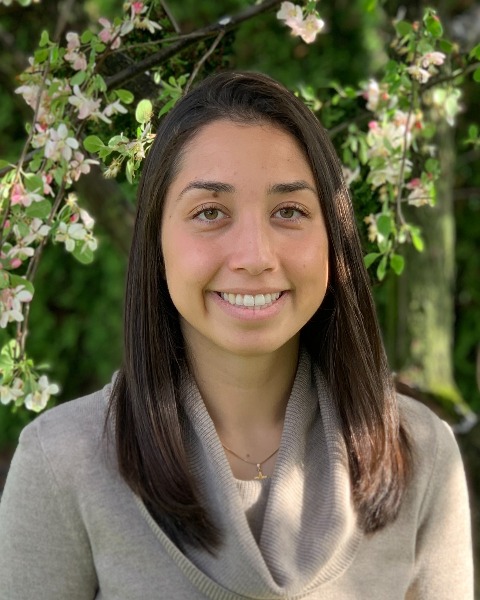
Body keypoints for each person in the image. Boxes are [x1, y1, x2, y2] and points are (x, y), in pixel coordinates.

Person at [0, 71, 473, 600]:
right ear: (157, 242)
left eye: (289, 211)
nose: (254, 257)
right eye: (210, 212)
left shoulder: (420, 453)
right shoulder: (61, 462)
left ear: (333, 237)